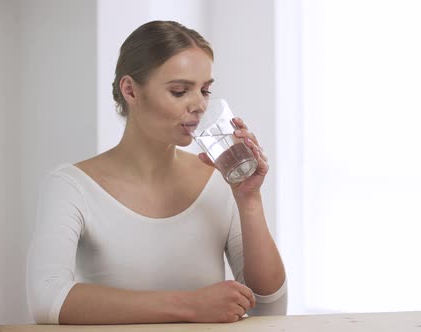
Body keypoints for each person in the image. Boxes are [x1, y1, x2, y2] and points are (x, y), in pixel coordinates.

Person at [26, 20, 287, 325]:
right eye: (179, 91)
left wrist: (250, 200)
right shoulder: (71, 186)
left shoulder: (218, 180)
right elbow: (47, 300)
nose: (200, 105)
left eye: (205, 90)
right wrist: (190, 306)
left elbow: (269, 309)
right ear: (130, 91)